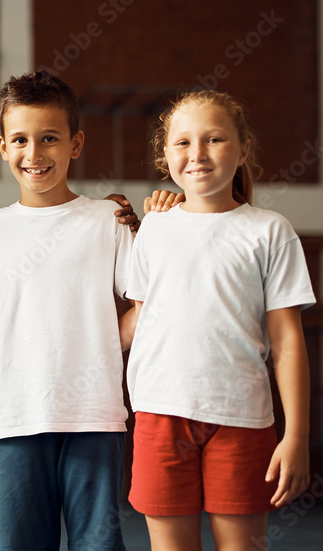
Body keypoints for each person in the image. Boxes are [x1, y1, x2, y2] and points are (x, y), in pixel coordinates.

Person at [0, 71, 133, 551]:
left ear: (75, 143)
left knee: (98, 544)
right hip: (17, 414)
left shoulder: (108, 219)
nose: (35, 153)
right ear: (2, 146)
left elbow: (149, 301)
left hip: (94, 414)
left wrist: (109, 342)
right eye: (20, 139)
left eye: (49, 139)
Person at [122, 90, 315, 550]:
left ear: (243, 148)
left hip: (242, 418)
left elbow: (287, 342)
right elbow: (141, 320)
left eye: (214, 139)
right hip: (160, 415)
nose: (197, 154)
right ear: (165, 154)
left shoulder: (270, 231)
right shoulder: (154, 228)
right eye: (183, 143)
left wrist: (297, 436)